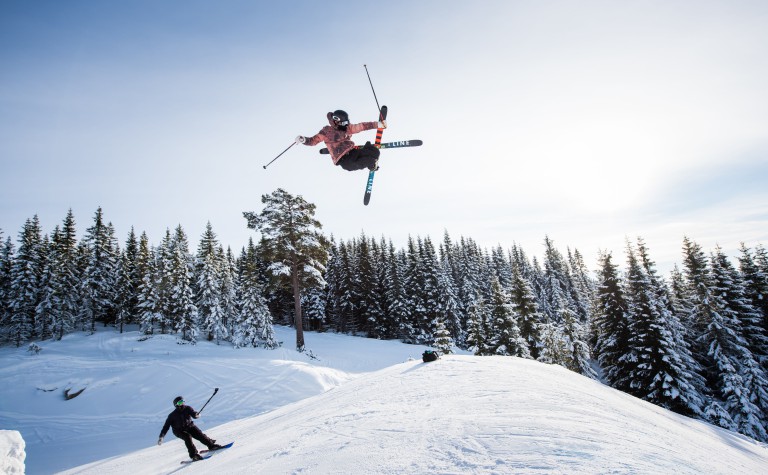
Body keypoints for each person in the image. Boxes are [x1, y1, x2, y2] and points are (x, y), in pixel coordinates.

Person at [296, 109, 386, 171]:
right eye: (344, 123)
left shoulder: (347, 128)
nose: (346, 125)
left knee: (375, 152)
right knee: (367, 161)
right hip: (344, 160)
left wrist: (378, 124)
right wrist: (303, 140)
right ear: (336, 121)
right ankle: (372, 164)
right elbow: (313, 141)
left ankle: (368, 150)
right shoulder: (327, 131)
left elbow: (362, 126)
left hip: (352, 151)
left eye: (347, 122)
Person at [158, 396, 222, 461]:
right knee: (187, 437)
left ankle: (211, 446)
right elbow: (166, 427)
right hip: (179, 431)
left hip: (190, 426)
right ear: (176, 404)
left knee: (200, 435)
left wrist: (196, 415)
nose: (182, 403)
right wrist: (161, 437)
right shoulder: (172, 415)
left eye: (183, 401)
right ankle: (193, 455)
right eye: (180, 402)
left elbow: (193, 414)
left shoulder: (187, 408)